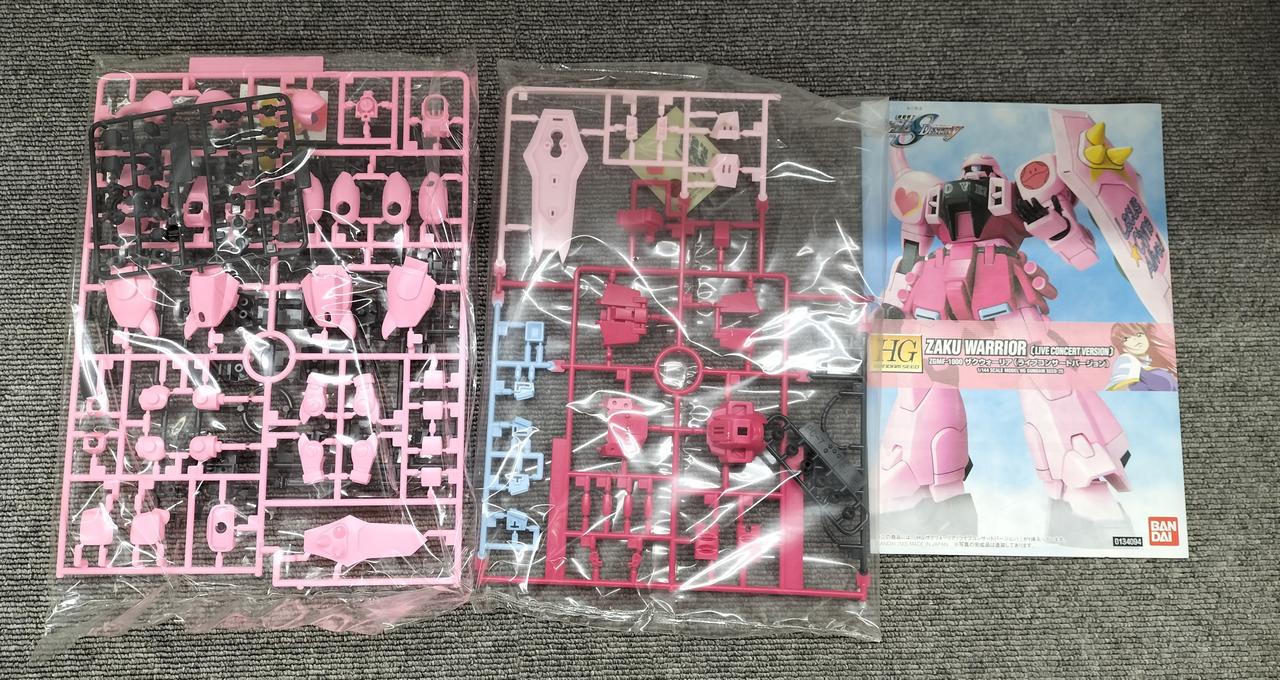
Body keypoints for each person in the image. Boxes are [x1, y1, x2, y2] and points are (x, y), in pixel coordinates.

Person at [1106, 322, 1178, 391]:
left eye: (1139, 334)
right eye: (1126, 339)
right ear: (1123, 347)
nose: (1135, 339)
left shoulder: (1155, 362)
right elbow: (1116, 388)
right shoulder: (1126, 360)